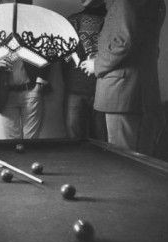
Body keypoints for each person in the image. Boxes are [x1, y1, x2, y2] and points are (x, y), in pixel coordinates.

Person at [80, 0, 166, 155]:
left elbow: (123, 43)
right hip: (136, 91)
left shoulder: (125, 2)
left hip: (123, 93)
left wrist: (97, 65)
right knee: (137, 159)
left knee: (125, 159)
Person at [0, 0, 51, 139]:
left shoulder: (32, 22)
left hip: (31, 91)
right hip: (4, 94)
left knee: (32, 142)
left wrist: (39, 85)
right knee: (12, 143)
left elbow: (48, 52)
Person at [62, 0, 107, 141]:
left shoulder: (111, 20)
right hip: (75, 88)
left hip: (102, 89)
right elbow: (63, 55)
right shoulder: (73, 20)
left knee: (102, 140)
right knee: (74, 138)